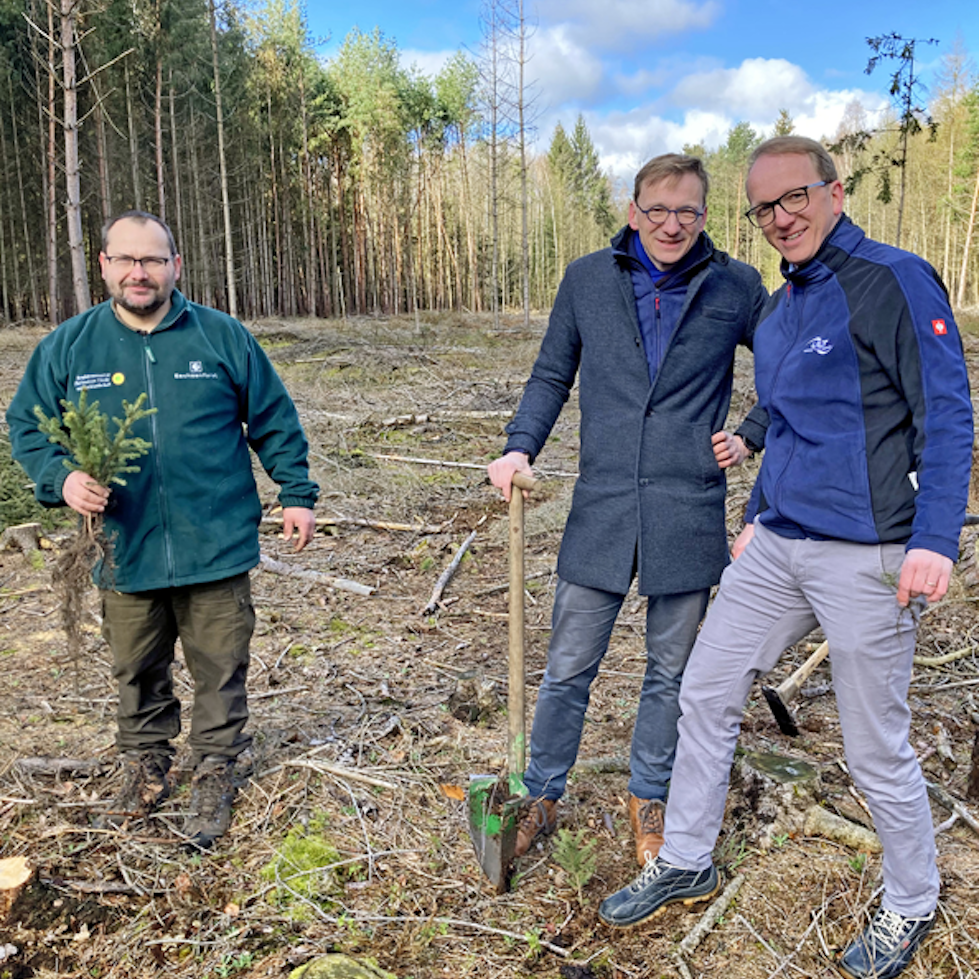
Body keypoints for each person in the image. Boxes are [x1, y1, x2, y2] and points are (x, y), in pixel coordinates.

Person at [598, 137, 973, 979]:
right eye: (763, 208)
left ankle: (910, 899)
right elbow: (785, 411)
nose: (780, 218)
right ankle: (687, 854)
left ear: (834, 192)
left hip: (870, 552)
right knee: (705, 685)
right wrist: (759, 514)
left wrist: (932, 540)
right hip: (777, 545)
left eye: (794, 197)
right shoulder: (780, 307)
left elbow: (944, 411)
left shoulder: (891, 279)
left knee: (874, 741)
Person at [487, 153, 767, 867]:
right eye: (657, 210)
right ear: (632, 208)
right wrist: (519, 447)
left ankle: (650, 795)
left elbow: (791, 364)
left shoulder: (735, 286)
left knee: (670, 671)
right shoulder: (587, 279)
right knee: (567, 664)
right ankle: (540, 792)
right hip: (603, 505)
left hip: (686, 508)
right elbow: (552, 371)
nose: (671, 225)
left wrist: (751, 434)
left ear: (705, 216)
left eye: (687, 212)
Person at [7, 211, 319, 848]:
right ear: (104, 266)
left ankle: (213, 767)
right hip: (124, 543)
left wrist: (297, 493)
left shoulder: (220, 337)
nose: (138, 272)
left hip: (215, 539)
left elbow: (273, 419)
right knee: (135, 664)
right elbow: (28, 425)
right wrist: (61, 478)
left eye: (151, 260)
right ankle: (146, 765)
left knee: (219, 663)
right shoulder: (71, 346)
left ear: (175, 266)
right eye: (124, 260)